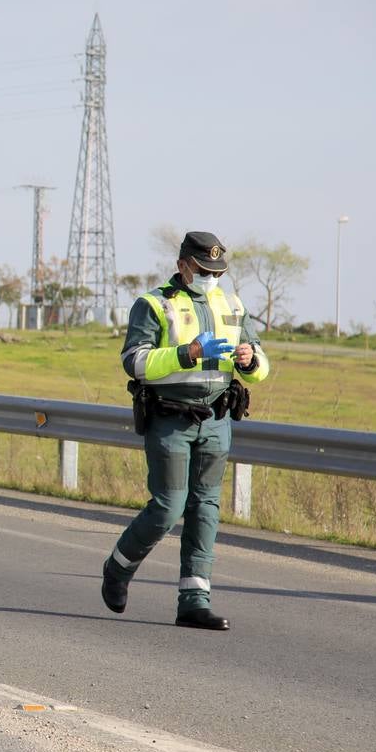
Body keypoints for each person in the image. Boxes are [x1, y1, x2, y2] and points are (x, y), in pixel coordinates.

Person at [102, 231, 270, 630]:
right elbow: (135, 361)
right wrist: (187, 353)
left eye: (217, 272)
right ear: (182, 266)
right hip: (170, 418)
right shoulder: (154, 304)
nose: (211, 278)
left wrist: (249, 360)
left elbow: (261, 364)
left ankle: (194, 600)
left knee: (205, 508)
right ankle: (118, 568)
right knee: (168, 507)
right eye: (203, 270)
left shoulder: (231, 304)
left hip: (216, 418)